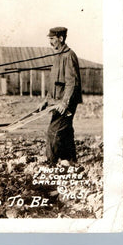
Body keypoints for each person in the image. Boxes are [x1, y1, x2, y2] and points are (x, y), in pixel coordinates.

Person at [37, 27, 82, 165]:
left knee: (53, 131)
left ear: (60, 39)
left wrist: (65, 103)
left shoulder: (68, 56)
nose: (50, 42)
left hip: (65, 102)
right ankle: (70, 160)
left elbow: (72, 83)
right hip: (57, 101)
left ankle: (50, 163)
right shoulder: (58, 55)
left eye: (52, 39)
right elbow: (54, 83)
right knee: (65, 131)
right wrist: (46, 100)